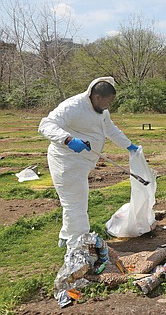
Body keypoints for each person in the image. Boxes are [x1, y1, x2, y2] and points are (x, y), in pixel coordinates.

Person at [38, 77, 138, 248]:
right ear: (97, 97)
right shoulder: (73, 106)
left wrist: (129, 145)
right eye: (108, 101)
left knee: (72, 202)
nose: (109, 105)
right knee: (76, 203)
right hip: (66, 162)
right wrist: (68, 139)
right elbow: (46, 124)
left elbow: (111, 130)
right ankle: (78, 245)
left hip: (82, 162)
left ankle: (65, 236)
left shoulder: (101, 111)